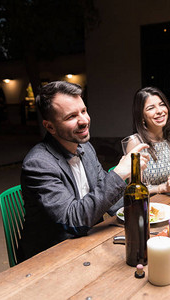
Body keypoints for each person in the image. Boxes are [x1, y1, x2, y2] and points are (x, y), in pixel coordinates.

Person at [18, 81, 149, 261]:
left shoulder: (85, 148)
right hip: (52, 255)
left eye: (84, 111)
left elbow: (110, 199)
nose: (84, 120)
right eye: (71, 116)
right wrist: (119, 174)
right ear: (50, 126)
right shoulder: (38, 164)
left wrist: (140, 212)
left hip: (88, 240)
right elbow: (72, 220)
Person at [126, 86, 170, 194]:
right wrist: (161, 188)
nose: (159, 111)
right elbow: (135, 189)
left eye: (162, 105)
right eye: (151, 108)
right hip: (149, 204)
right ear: (141, 116)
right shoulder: (135, 142)